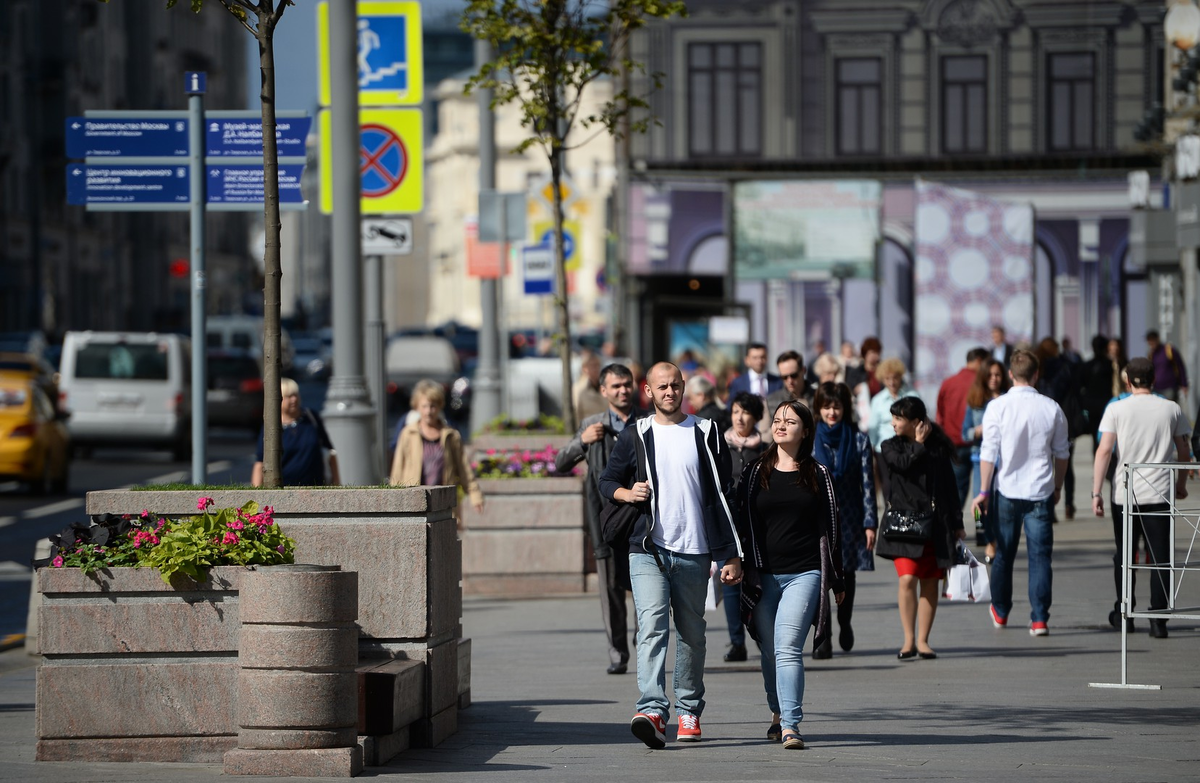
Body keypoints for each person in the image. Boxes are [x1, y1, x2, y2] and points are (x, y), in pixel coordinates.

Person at [598, 362, 743, 748]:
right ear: (648, 390)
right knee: (652, 626)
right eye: (662, 387)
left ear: (684, 389)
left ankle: (689, 709)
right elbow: (606, 481)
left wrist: (730, 554)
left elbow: (721, 495)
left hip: (695, 551)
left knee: (692, 635)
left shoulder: (706, 431)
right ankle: (652, 710)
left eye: (675, 386)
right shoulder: (636, 435)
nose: (669, 392)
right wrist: (628, 494)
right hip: (647, 549)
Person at [735, 399, 844, 750]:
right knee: (768, 649)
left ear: (805, 431)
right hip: (762, 575)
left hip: (805, 573)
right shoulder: (754, 472)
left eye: (790, 421)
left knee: (786, 648)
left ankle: (791, 725)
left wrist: (837, 579)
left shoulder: (819, 474)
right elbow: (740, 521)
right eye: (778, 420)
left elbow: (832, 527)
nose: (781, 425)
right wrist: (733, 561)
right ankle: (777, 712)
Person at [970, 350, 1070, 636]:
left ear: (1011, 374)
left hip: (1007, 490)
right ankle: (1039, 618)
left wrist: (983, 490)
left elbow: (988, 452)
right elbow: (1062, 453)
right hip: (1040, 490)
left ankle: (1001, 610)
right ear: (1036, 374)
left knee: (1004, 554)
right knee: (1040, 557)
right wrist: (1058, 486)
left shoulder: (998, 407)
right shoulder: (1051, 407)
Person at [1091, 357, 1192, 639]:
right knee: (1160, 556)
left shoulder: (1117, 409)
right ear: (1154, 380)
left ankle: (1125, 612)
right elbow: (1184, 451)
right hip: (1159, 491)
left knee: (1125, 555)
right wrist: (1181, 484)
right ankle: (1158, 618)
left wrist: (1096, 492)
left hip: (1125, 492)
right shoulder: (1170, 409)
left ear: (1127, 381)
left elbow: (1104, 451)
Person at [555, 363, 644, 673]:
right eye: (615, 386)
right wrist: (583, 440)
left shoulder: (647, 423)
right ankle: (617, 652)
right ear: (603, 390)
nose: (622, 390)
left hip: (642, 519)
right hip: (605, 520)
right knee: (610, 588)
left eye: (626, 384)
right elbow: (561, 461)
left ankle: (643, 644)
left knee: (644, 586)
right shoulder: (592, 424)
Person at [875, 397, 964, 660]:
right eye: (893, 417)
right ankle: (908, 640)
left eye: (898, 418)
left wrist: (957, 524)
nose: (893, 423)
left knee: (930, 581)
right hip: (904, 525)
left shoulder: (937, 448)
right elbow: (901, 465)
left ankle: (923, 641)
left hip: (935, 524)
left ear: (915, 422)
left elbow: (949, 487)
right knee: (907, 578)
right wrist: (918, 445)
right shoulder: (889, 446)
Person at [811, 382, 876, 658]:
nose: (832, 412)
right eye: (826, 406)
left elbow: (868, 484)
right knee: (816, 575)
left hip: (849, 517)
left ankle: (844, 621)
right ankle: (822, 635)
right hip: (815, 518)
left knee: (846, 573)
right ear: (818, 409)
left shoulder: (859, 440)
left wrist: (870, 522)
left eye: (837, 406)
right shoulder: (809, 439)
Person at [388, 379, 484, 512]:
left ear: (439, 406)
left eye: (433, 406)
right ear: (417, 407)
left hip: (443, 502)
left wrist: (475, 495)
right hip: (413, 501)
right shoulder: (408, 433)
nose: (428, 411)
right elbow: (398, 469)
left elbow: (463, 468)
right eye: (424, 406)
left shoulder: (451, 435)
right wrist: (393, 499)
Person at [720, 391, 767, 663]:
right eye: (736, 411)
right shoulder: (720, 445)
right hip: (728, 523)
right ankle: (736, 642)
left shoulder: (764, 450)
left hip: (756, 526)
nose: (740, 417)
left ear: (756, 417)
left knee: (757, 582)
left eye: (746, 412)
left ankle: (760, 636)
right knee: (729, 583)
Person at [251, 378, 340, 487]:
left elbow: (330, 452)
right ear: (278, 399)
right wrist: (255, 495)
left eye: (295, 395)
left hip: (316, 488)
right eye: (288, 396)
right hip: (284, 490)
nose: (294, 399)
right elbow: (260, 463)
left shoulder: (311, 417)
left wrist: (337, 484)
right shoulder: (271, 426)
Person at [963, 358, 1010, 557]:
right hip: (980, 459)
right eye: (990, 375)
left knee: (1000, 505)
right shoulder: (975, 402)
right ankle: (985, 533)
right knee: (980, 504)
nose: (994, 379)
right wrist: (978, 430)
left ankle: (995, 541)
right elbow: (964, 433)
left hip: (1005, 459)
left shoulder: (1009, 400)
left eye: (998, 375)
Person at [936, 347, 990, 506]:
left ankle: (955, 527)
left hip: (954, 445)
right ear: (980, 361)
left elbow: (940, 415)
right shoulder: (983, 384)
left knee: (957, 491)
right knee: (980, 492)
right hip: (981, 445)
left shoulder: (948, 383)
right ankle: (980, 527)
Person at [1036, 337, 1082, 519]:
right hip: (1063, 418)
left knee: (1045, 463)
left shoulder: (1038, 369)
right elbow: (1073, 392)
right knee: (1065, 462)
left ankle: (1049, 508)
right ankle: (1069, 503)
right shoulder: (1064, 367)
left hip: (1041, 420)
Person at [866, 357, 920, 453]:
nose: (891, 382)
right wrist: (871, 449)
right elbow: (873, 427)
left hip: (908, 448)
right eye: (887, 378)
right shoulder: (877, 400)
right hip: (883, 450)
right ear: (882, 379)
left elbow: (921, 421)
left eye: (895, 377)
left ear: (900, 376)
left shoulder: (913, 395)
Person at [1082, 335, 1122, 453]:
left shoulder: (1087, 366)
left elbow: (1080, 385)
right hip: (1109, 404)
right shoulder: (1111, 365)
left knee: (1096, 438)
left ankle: (1098, 462)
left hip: (1092, 407)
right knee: (1111, 435)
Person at [762, 350, 809, 443]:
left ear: (803, 370)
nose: (789, 380)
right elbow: (763, 436)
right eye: (784, 377)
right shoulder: (771, 400)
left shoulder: (817, 397)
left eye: (794, 375)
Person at [1146, 330, 1189, 403]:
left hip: (1170, 387)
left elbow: (1180, 366)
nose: (1152, 344)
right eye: (1150, 343)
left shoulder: (1169, 350)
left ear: (1157, 339)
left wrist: (1184, 384)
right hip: (1156, 388)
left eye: (1153, 341)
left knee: (1170, 410)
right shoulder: (1151, 354)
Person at [573, 350, 608, 422]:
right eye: (592, 365)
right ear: (584, 368)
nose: (595, 369)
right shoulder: (578, 388)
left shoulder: (605, 386)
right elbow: (576, 412)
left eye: (597, 365)